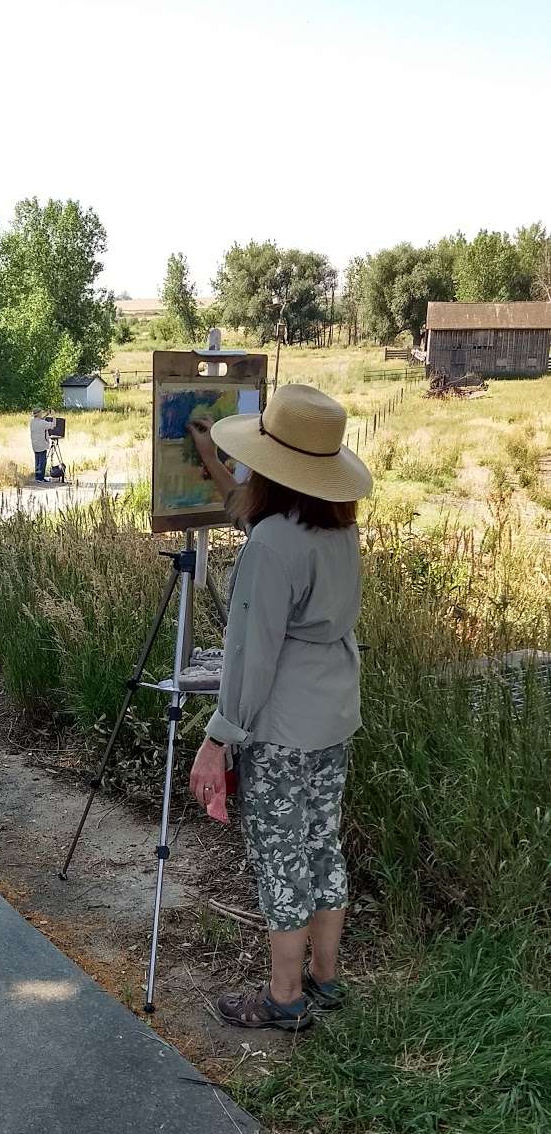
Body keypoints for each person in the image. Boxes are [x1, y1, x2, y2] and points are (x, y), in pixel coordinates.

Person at [187, 384, 373, 1032]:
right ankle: (324, 980)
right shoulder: (335, 528)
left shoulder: (271, 547)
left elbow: (251, 657)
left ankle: (283, 997)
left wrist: (219, 737)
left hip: (284, 726)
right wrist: (209, 454)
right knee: (322, 845)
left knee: (280, 855)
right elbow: (248, 508)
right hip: (333, 716)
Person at [30, 409, 54, 481]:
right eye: (41, 413)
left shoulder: (32, 422)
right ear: (39, 414)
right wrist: (54, 416)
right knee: (42, 461)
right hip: (42, 444)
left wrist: (46, 415)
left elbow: (40, 421)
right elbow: (53, 425)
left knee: (37, 461)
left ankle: (37, 477)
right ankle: (41, 478)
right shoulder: (42, 423)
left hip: (35, 444)